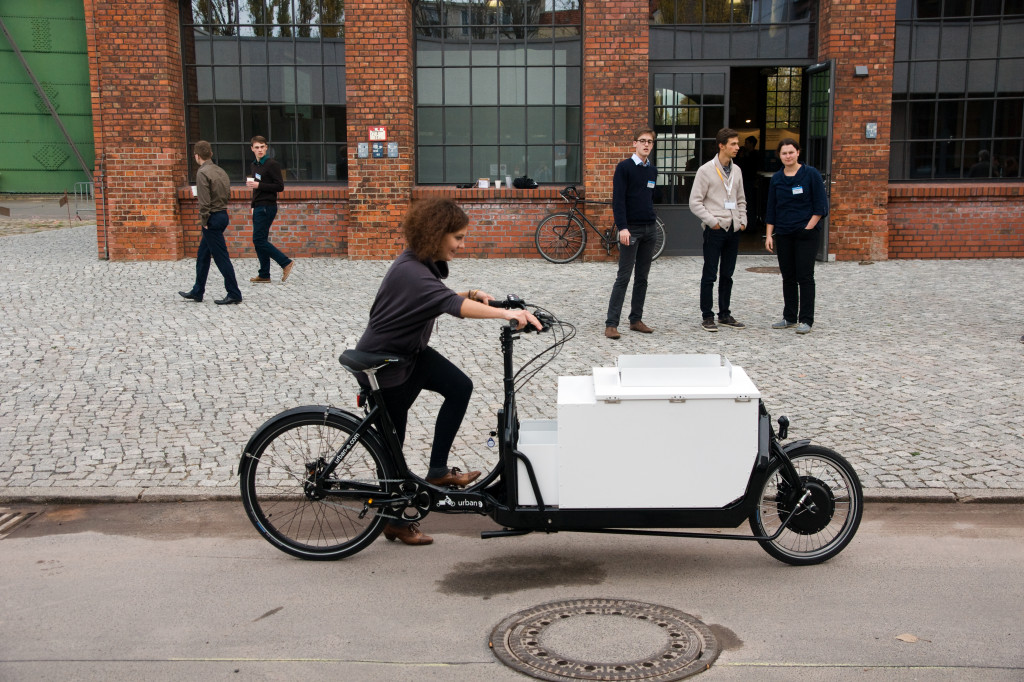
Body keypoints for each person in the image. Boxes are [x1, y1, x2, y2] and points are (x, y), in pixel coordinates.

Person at [354, 198, 541, 546]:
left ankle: (437, 472)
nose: (461, 244)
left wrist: (471, 293)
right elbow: (452, 306)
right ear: (436, 234)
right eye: (458, 237)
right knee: (393, 446)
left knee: (459, 387)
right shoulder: (412, 271)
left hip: (408, 355)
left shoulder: (418, 264)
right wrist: (506, 315)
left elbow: (441, 297)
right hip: (385, 366)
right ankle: (394, 521)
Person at [764, 138, 828, 334]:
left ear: (798, 152)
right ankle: (789, 317)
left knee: (805, 276)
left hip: (806, 234)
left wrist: (808, 228)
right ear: (780, 156)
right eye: (784, 153)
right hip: (783, 233)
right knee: (788, 276)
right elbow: (771, 209)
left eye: (791, 152)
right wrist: (769, 235)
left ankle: (806, 319)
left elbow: (821, 206)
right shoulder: (777, 179)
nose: (788, 156)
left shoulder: (811, 175)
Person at [688, 128, 747, 332]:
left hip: (734, 229)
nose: (737, 147)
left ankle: (725, 314)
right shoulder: (705, 170)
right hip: (715, 229)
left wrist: (742, 221)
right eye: (733, 144)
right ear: (721, 146)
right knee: (710, 274)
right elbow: (695, 202)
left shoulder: (737, 170)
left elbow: (740, 199)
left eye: (737, 144)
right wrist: (711, 221)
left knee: (728, 274)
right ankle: (707, 316)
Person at [604, 127, 659, 339]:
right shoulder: (624, 168)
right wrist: (622, 227)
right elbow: (618, 201)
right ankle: (611, 323)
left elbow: (650, 197)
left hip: (649, 229)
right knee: (624, 276)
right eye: (642, 141)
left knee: (642, 278)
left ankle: (636, 319)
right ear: (634, 143)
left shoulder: (652, 170)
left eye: (650, 142)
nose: (646, 144)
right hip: (631, 230)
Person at [178, 141, 242, 305]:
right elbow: (227, 193)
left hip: (212, 218)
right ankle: (197, 291)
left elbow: (204, 201)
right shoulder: (220, 170)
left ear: (196, 156)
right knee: (203, 255)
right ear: (211, 154)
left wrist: (204, 220)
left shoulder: (202, 172)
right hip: (222, 214)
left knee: (221, 258)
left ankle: (234, 293)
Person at [246, 136, 295, 283]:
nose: (260, 150)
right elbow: (256, 189)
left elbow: (279, 186)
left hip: (268, 206)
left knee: (258, 240)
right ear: (252, 149)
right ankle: (264, 274)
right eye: (257, 147)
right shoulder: (254, 165)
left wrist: (259, 186)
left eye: (262, 147)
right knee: (260, 239)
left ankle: (285, 262)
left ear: (266, 147)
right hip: (259, 206)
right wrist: (253, 206)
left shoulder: (272, 164)